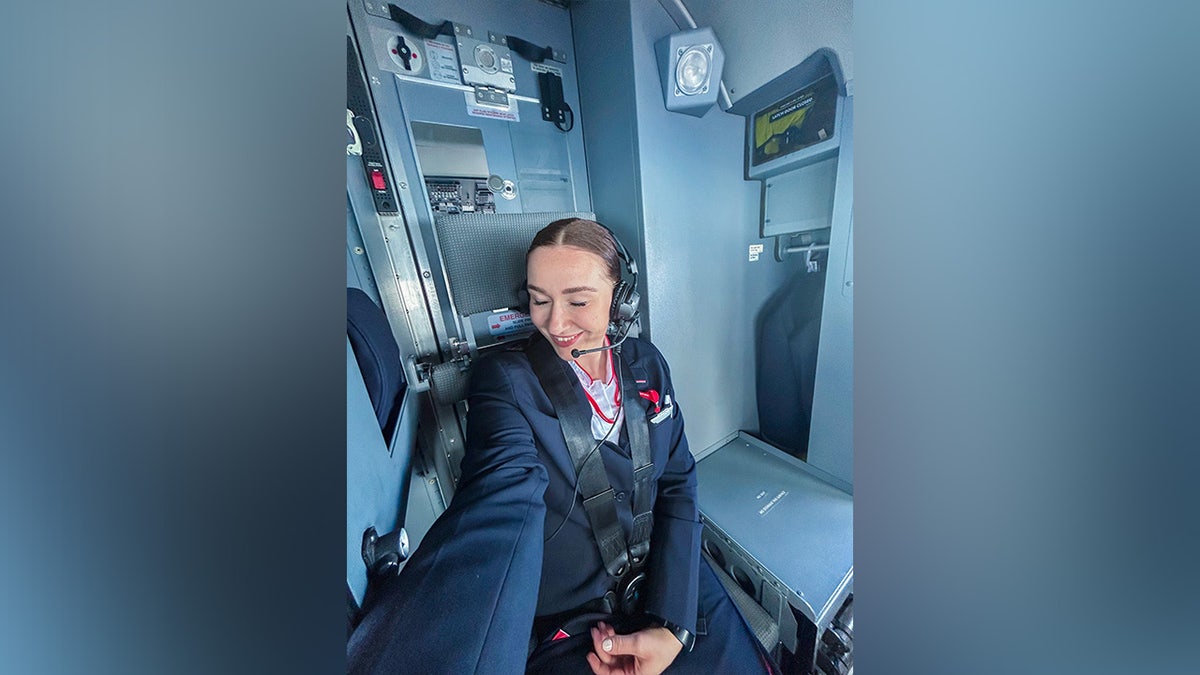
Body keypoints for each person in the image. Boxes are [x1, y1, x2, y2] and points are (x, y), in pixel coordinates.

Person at [347, 219, 772, 674]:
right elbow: (498, 499)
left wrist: (675, 626)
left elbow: (678, 480)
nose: (555, 322)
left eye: (578, 301)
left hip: (671, 576)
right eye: (538, 300)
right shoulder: (505, 383)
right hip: (573, 618)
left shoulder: (647, 362)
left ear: (620, 297)